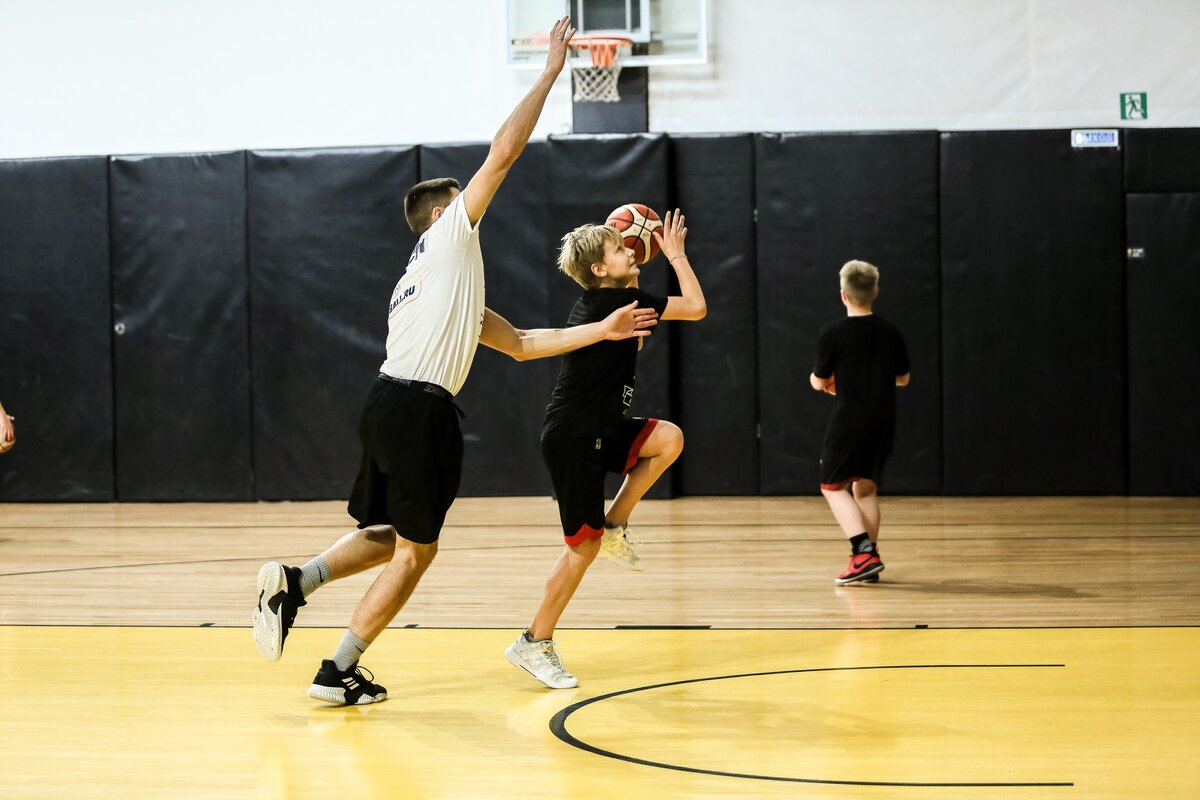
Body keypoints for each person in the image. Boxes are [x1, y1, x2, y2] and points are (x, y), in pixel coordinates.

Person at [250, 16, 661, 706]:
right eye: (460, 200)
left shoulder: (433, 286)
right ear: (444, 213)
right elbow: (502, 154)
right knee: (419, 552)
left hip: (386, 401)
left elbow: (526, 345)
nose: (473, 202)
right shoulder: (449, 238)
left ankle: (297, 582)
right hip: (418, 408)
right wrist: (551, 72)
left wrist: (608, 328)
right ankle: (338, 669)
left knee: (386, 535)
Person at [505, 209, 706, 689]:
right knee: (581, 550)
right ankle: (534, 642)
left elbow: (683, 310)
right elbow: (696, 307)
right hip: (573, 438)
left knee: (668, 439)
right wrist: (675, 255)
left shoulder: (617, 296)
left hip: (603, 426)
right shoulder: (614, 304)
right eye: (619, 249)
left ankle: (617, 522)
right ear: (599, 269)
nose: (631, 250)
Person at [809, 260, 910, 585]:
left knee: (831, 486)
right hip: (884, 418)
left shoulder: (833, 333)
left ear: (843, 295)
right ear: (875, 291)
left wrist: (827, 381)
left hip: (849, 419)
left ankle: (863, 551)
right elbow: (903, 378)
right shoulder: (891, 331)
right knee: (864, 489)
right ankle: (866, 562)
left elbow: (819, 379)